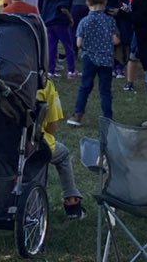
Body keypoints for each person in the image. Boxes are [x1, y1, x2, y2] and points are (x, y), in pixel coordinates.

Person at [67, 0, 119, 126]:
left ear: (87, 2)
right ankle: (108, 118)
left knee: (85, 86)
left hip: (89, 58)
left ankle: (78, 114)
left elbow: (78, 43)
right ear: (105, 1)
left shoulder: (84, 22)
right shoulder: (110, 21)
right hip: (106, 59)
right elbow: (116, 40)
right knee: (105, 90)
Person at [36, 78, 86, 219]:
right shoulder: (44, 84)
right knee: (63, 153)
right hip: (32, 145)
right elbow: (52, 128)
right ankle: (71, 200)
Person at [42, 0, 76, 78]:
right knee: (68, 45)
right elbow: (63, 9)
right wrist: (70, 18)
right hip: (60, 23)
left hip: (49, 23)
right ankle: (71, 70)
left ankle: (51, 71)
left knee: (52, 47)